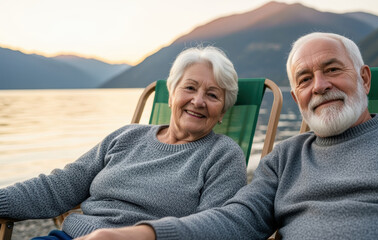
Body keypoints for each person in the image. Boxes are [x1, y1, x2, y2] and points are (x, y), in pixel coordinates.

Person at [76, 32, 378, 240]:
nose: (321, 86)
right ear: (296, 97)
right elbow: (236, 219)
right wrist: (142, 235)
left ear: (364, 78)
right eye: (304, 79)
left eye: (332, 70)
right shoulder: (285, 158)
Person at [0, 46, 247, 239]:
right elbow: (58, 187)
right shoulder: (127, 136)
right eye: (190, 88)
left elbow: (214, 228)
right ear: (171, 96)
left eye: (212, 95)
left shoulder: (223, 155)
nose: (198, 101)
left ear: (222, 111)